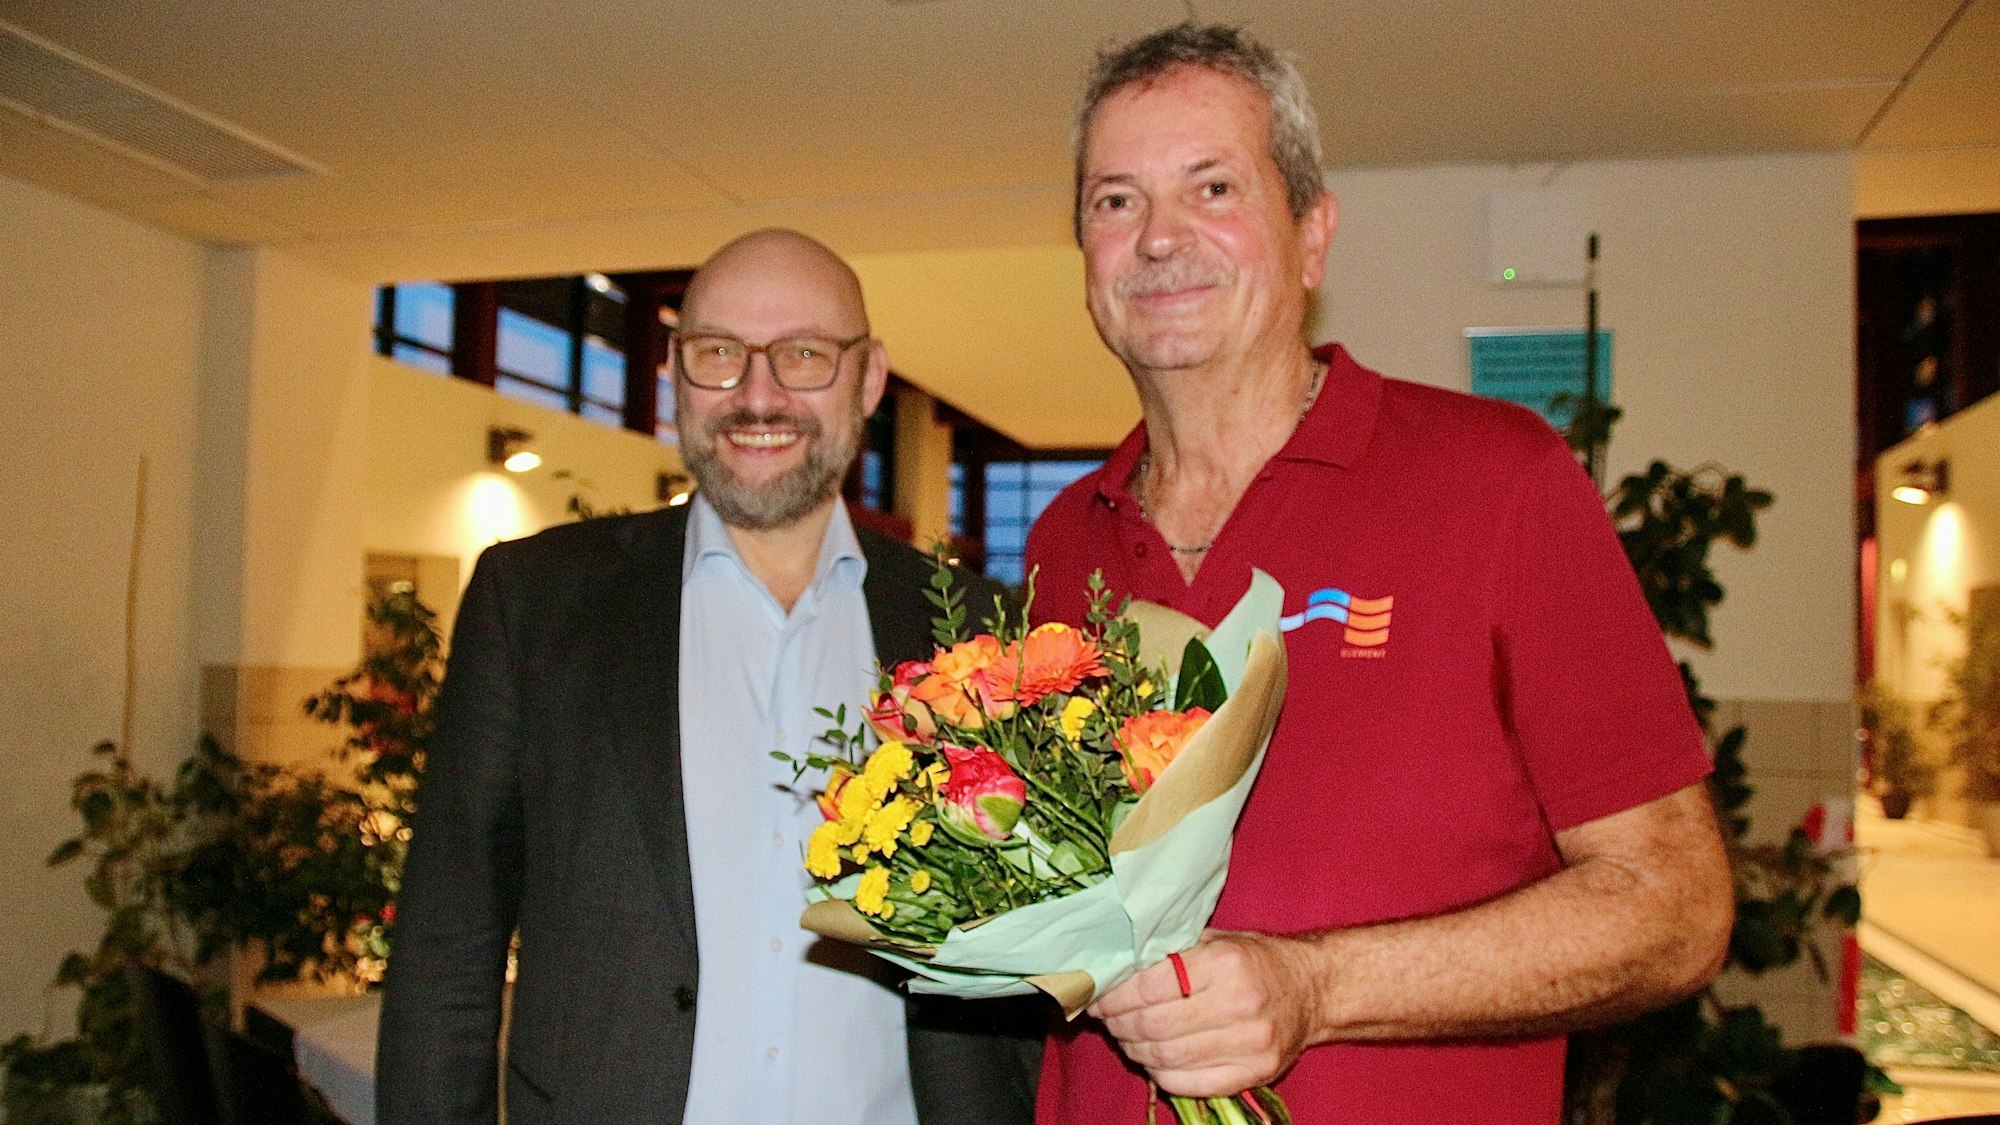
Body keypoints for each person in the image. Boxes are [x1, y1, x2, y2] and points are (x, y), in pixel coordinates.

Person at [1024, 25, 1734, 1124]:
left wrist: (1314, 988)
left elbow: (1675, 905)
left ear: (1311, 236)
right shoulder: (1060, 540)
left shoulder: (1498, 480)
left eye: (1209, 187)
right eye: (1114, 202)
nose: (1158, 238)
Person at [376, 228, 1040, 1125]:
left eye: (803, 355)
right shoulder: (534, 604)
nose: (757, 395)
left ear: (870, 379)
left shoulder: (972, 632)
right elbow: (446, 948)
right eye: (718, 354)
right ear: (675, 373)